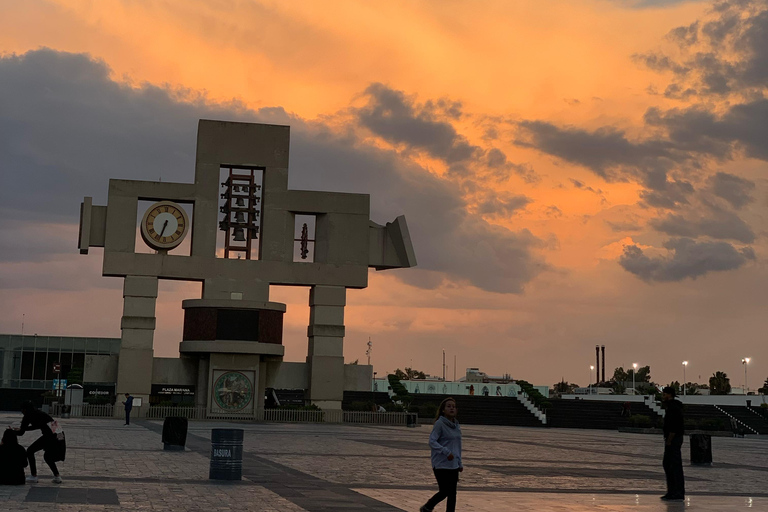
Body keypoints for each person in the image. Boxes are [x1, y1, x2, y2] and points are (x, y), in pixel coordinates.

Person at [420, 397, 463, 512]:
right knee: (445, 491)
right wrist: (445, 451)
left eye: (453, 406)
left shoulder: (456, 426)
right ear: (443, 410)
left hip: (453, 464)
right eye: (448, 406)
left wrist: (459, 462)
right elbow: (432, 441)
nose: (451, 408)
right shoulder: (439, 424)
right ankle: (428, 506)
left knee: (452, 493)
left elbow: (457, 446)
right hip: (441, 463)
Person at [13, 401, 61, 484]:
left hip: (49, 436)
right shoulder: (39, 413)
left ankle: (34, 475)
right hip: (58, 434)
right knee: (48, 457)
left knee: (30, 451)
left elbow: (22, 432)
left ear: (24, 410)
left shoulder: (28, 416)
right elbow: (39, 425)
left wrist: (12, 431)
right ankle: (57, 476)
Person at [661, 386, 684, 501]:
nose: (663, 396)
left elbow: (674, 426)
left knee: (674, 466)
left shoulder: (674, 408)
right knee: (668, 465)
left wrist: (669, 440)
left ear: (669, 395)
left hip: (673, 440)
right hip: (672, 439)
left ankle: (677, 492)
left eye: (664, 394)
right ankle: (672, 491)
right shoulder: (671, 407)